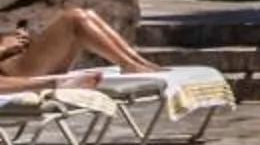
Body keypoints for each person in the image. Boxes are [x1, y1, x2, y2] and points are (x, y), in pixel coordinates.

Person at [0, 5, 157, 90]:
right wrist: (5, 49)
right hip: (13, 71)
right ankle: (127, 64)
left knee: (87, 14)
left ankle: (135, 59)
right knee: (73, 17)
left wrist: (19, 37)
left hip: (22, 59)